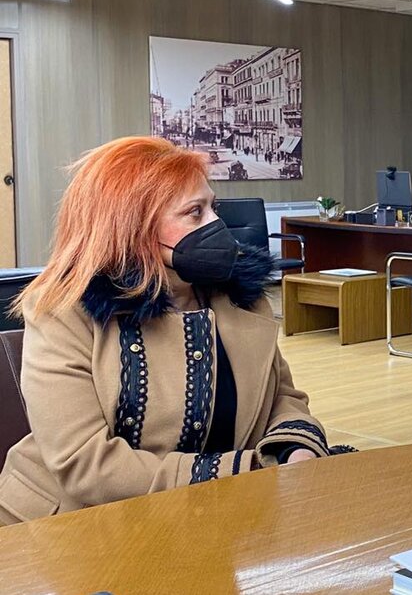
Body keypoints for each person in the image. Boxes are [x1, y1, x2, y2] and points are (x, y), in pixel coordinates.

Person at [0, 136, 339, 526]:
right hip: (68, 527)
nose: (217, 226)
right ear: (133, 228)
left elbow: (281, 397)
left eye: (213, 207)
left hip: (214, 516)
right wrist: (248, 471)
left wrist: (294, 449)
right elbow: (85, 464)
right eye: (195, 213)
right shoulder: (63, 312)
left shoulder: (238, 297)